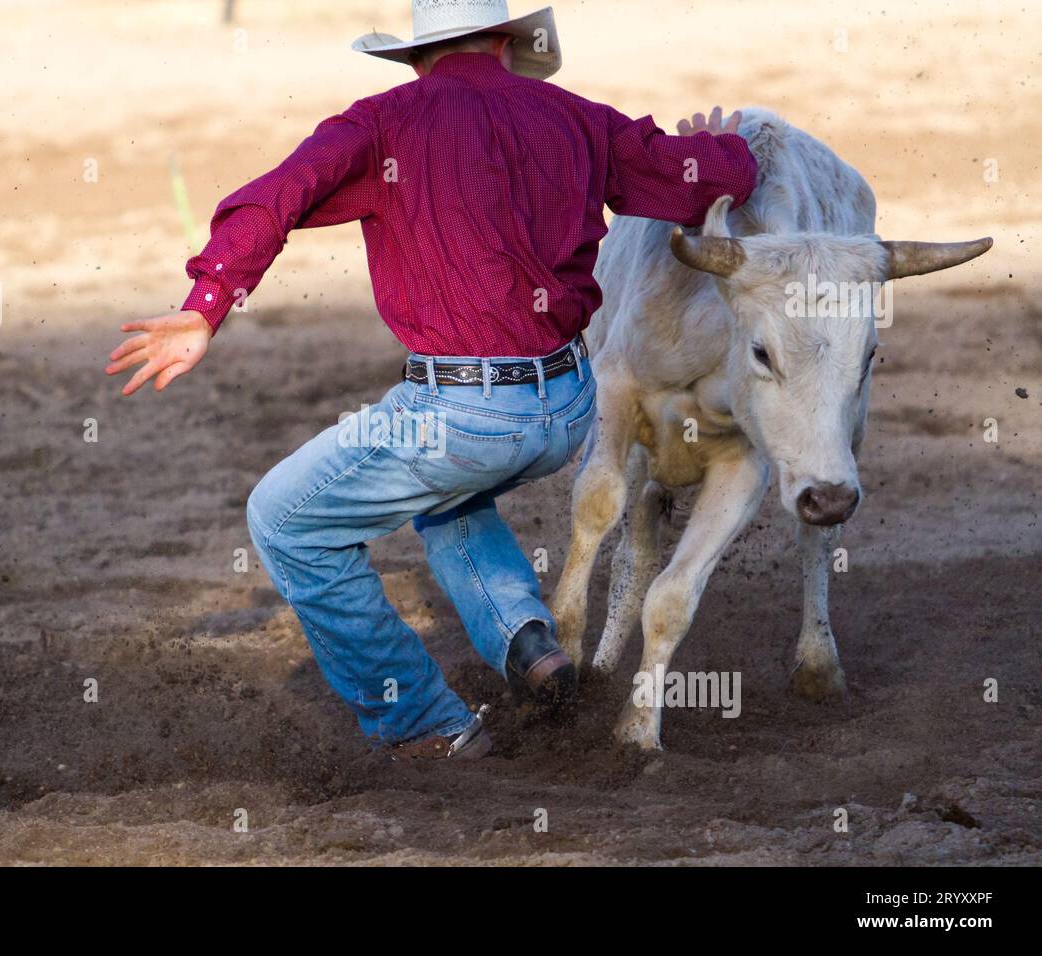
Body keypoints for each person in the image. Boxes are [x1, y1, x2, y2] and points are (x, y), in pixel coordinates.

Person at [106, 1, 757, 759]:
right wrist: (714, 148)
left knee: (285, 520)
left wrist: (206, 304)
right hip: (568, 407)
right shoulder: (579, 118)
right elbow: (723, 175)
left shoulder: (385, 122)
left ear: (417, 55)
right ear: (507, 44)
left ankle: (421, 723)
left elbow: (276, 196)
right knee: (446, 498)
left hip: (464, 412)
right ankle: (528, 642)